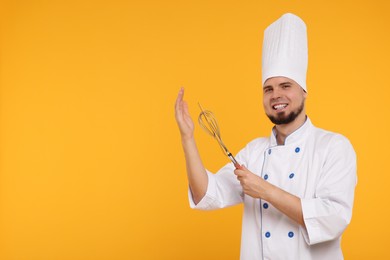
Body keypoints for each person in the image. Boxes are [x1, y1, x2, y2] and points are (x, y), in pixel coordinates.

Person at [174, 13, 357, 260]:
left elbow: (333, 218)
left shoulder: (334, 147)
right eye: (268, 89)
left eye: (285, 86)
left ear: (303, 92)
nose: (276, 95)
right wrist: (188, 138)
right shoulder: (254, 152)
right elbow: (206, 194)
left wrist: (266, 190)